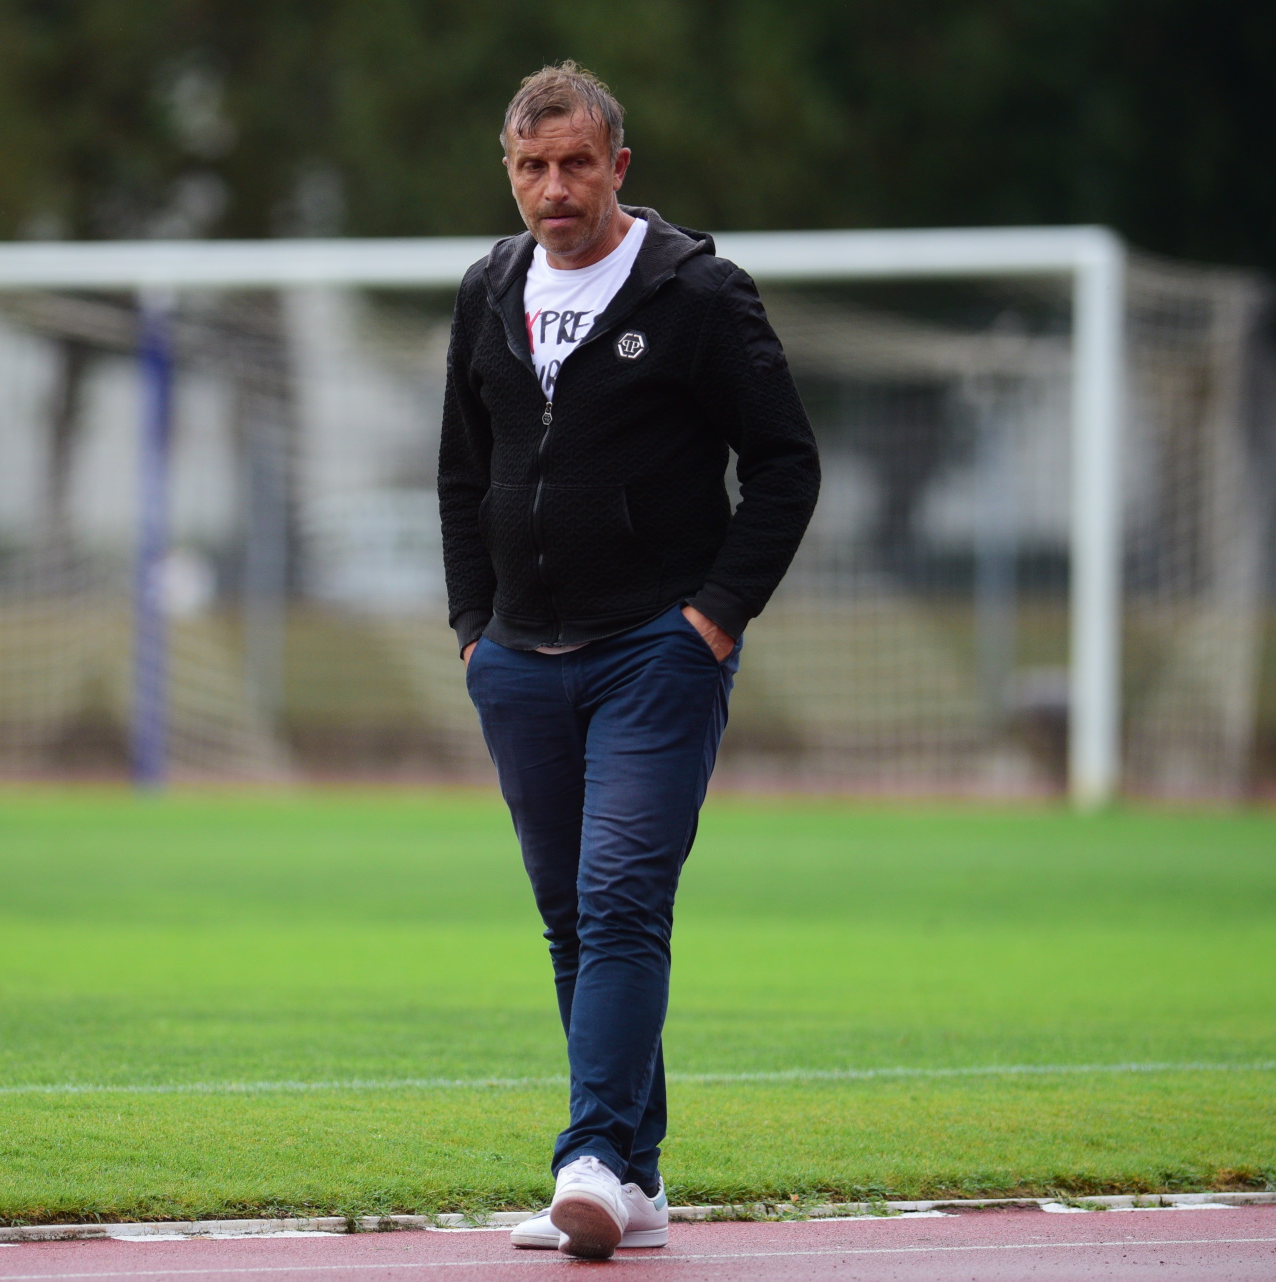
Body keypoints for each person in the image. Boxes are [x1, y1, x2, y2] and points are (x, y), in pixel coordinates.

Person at [439, 62, 820, 1259]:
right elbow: (461, 471)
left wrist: (714, 618)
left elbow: (786, 466)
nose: (554, 188)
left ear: (619, 165)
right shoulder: (488, 288)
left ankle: (592, 1156)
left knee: (619, 899)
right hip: (517, 656)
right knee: (573, 917)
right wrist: (472, 626)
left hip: (657, 648)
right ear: (509, 170)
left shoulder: (698, 292)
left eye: (576, 164)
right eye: (532, 167)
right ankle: (637, 1180)